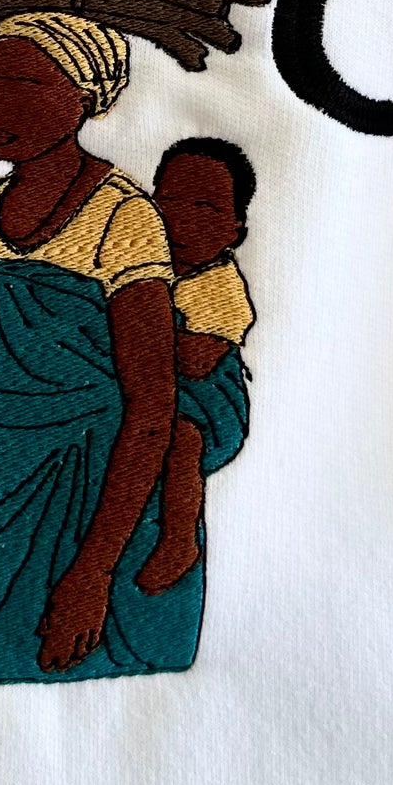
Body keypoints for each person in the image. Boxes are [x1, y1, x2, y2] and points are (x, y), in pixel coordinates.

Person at [0, 11, 203, 683]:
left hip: (96, 501)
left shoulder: (124, 217)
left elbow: (151, 404)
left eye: (24, 81)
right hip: (0, 497)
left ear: (83, 96)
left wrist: (94, 570)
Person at [134, 138, 256, 596]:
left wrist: (134, 332)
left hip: (206, 402)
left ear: (235, 229)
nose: (182, 218)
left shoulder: (218, 286)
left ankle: (178, 538)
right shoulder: (140, 262)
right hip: (148, 387)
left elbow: (198, 360)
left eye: (205, 207)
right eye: (168, 201)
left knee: (180, 440)